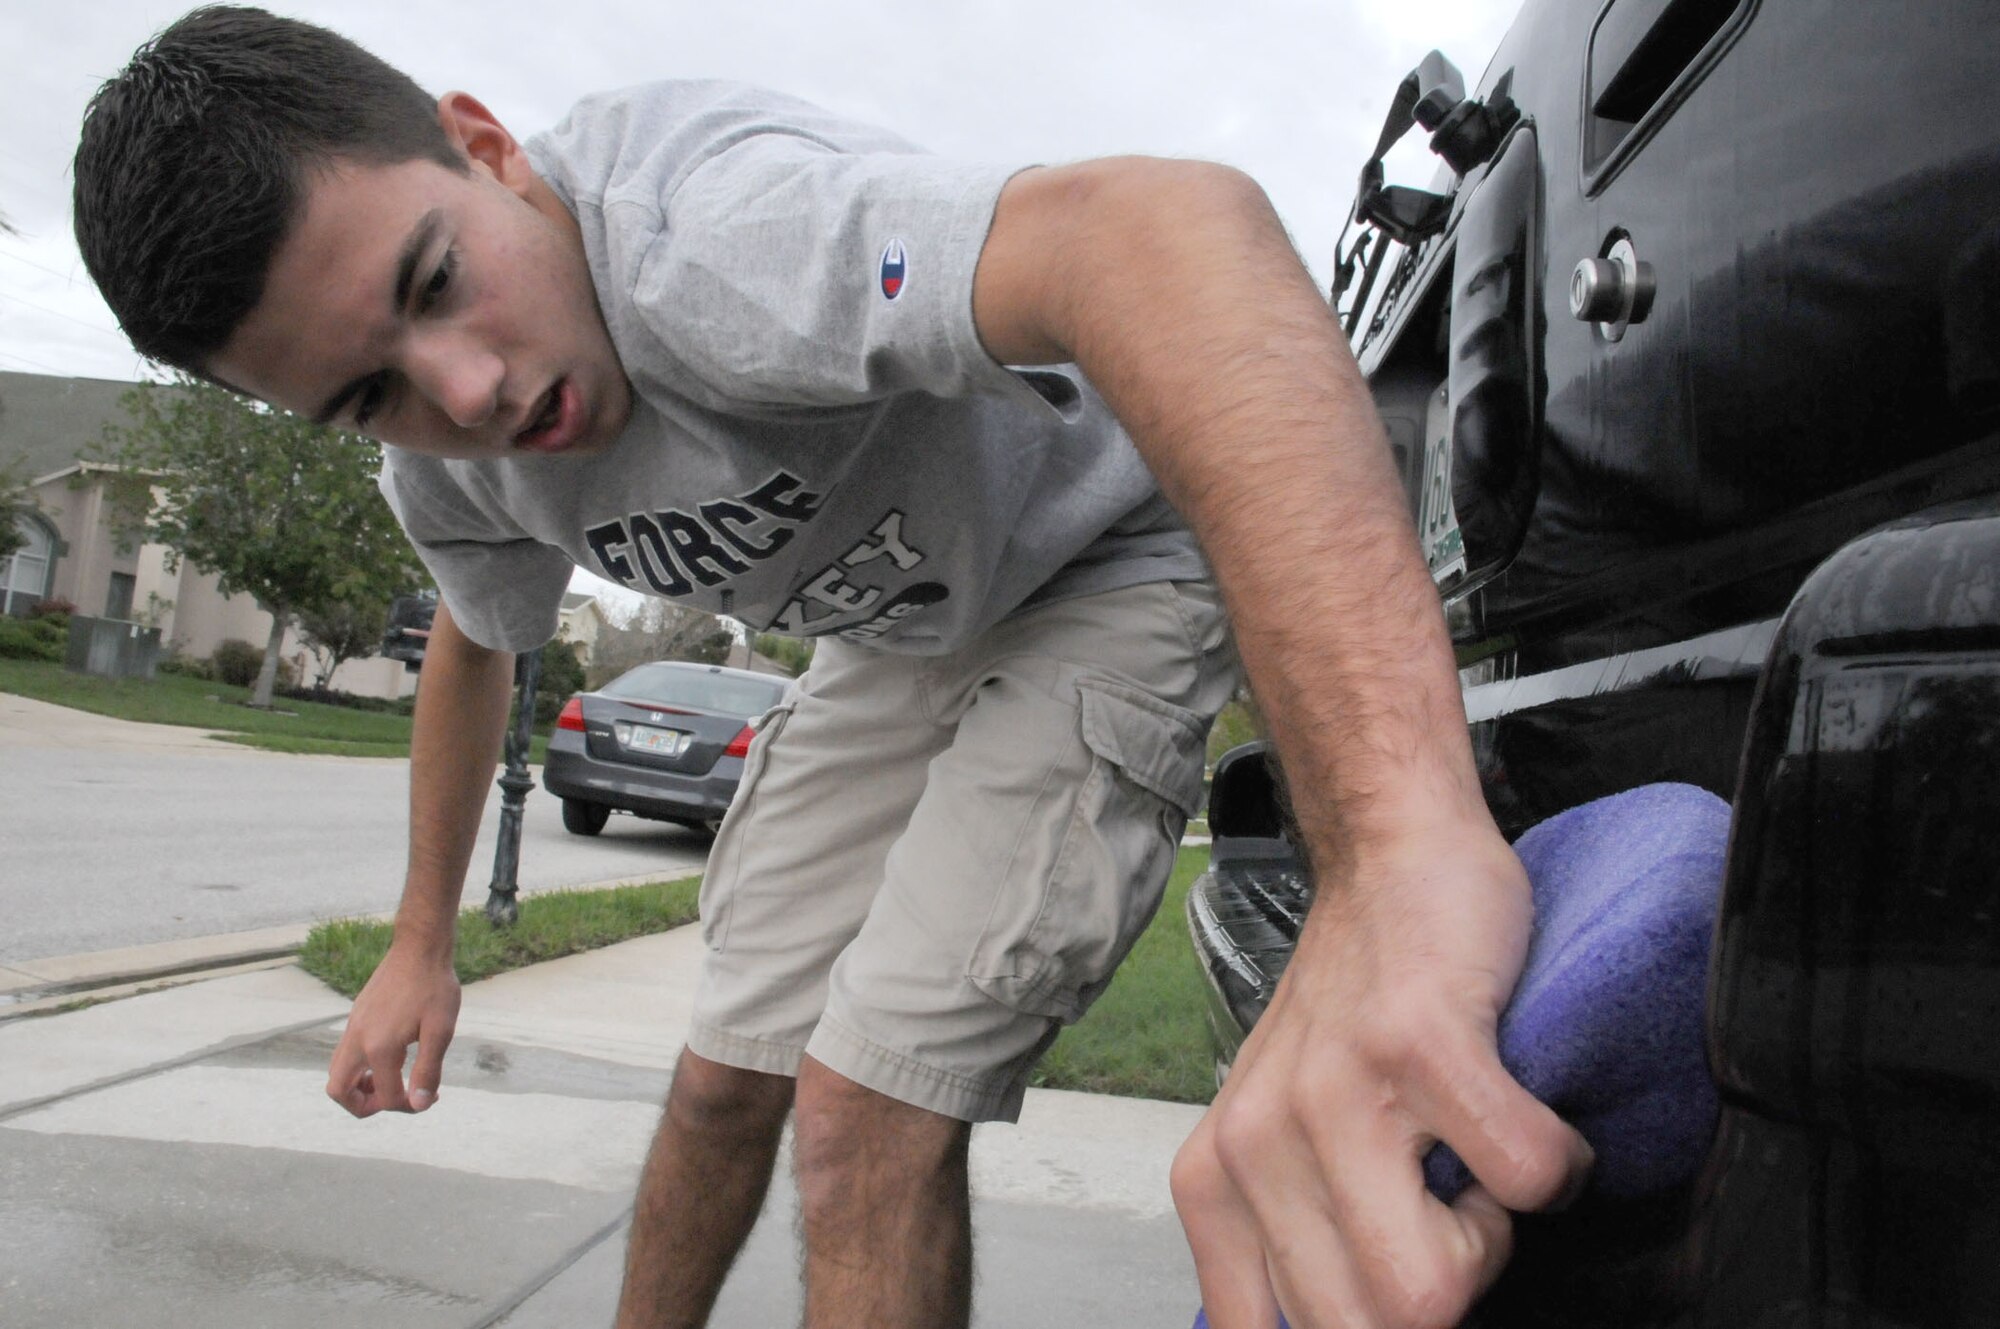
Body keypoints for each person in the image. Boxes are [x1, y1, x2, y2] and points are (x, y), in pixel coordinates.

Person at [73, 8, 1592, 1327]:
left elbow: (1171, 231)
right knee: (726, 1074)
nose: (469, 389)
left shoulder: (713, 244)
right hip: (907, 624)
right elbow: (477, 633)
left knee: (866, 1111)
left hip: (1107, 552)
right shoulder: (448, 468)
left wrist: (1391, 849)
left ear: (485, 148)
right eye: (368, 393)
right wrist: (423, 937)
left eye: (432, 280)